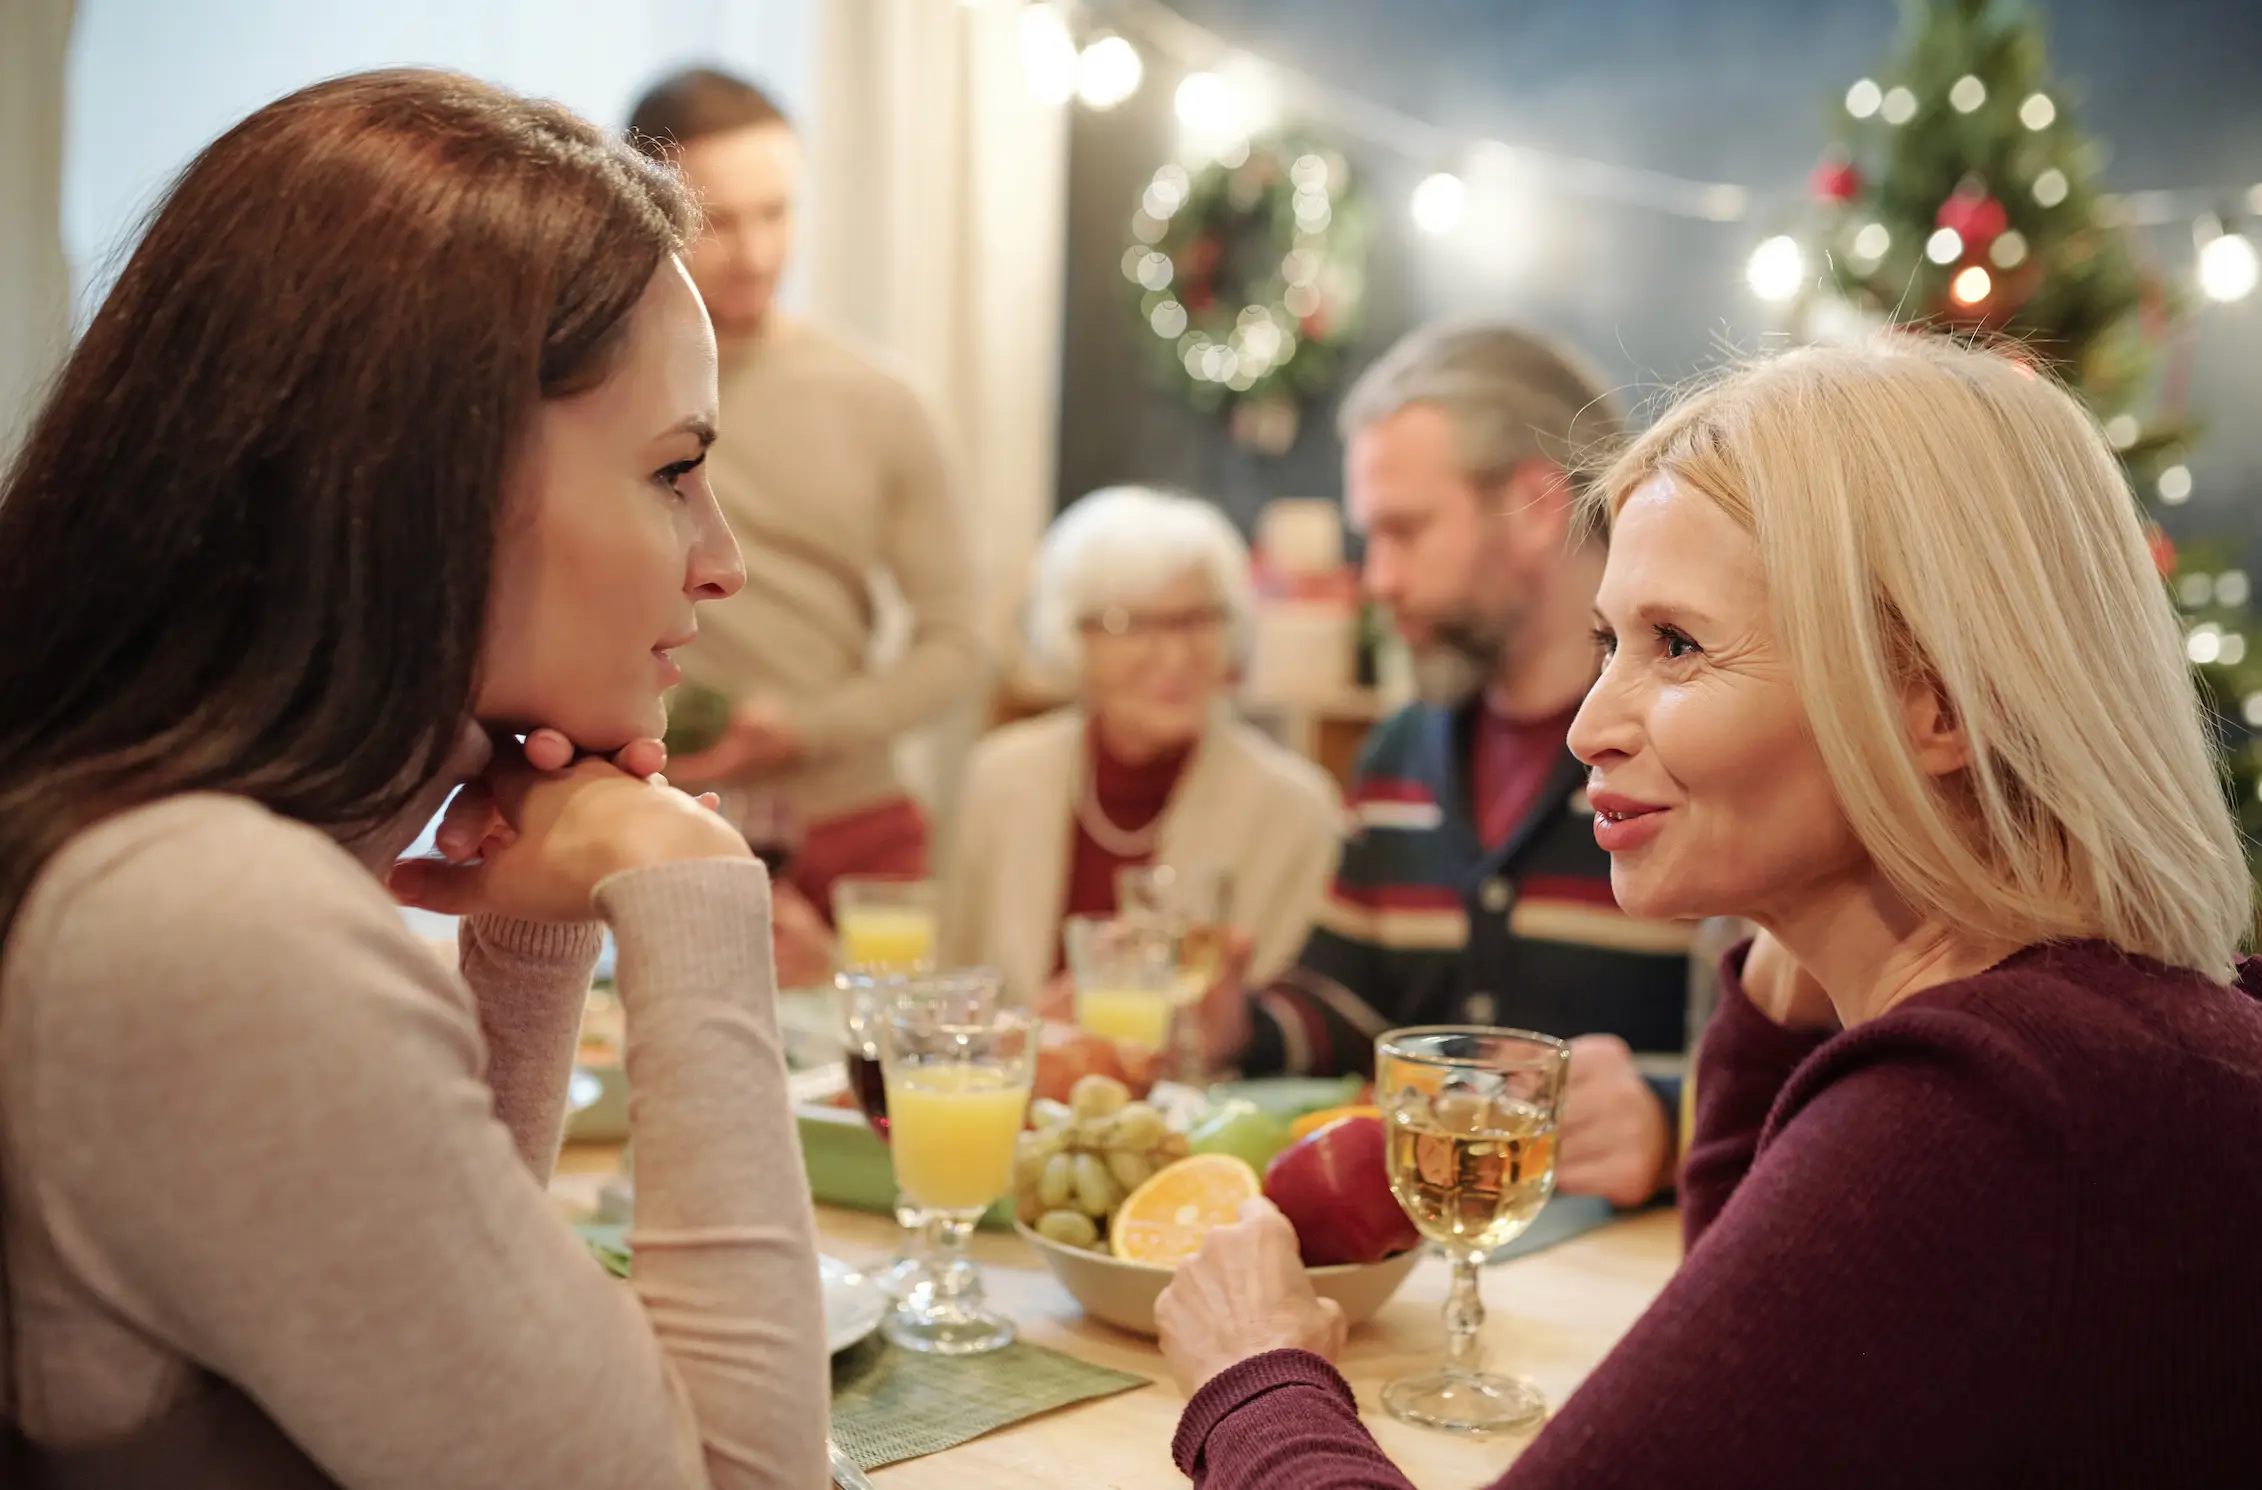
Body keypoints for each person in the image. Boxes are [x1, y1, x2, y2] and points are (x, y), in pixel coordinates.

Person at [1154, 336, 2262, 1488]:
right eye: (1608, 644)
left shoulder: (1985, 1109)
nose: (1589, 726)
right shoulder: (2116, 1036)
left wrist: (1260, 1374)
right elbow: (1755, 1388)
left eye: (1677, 646)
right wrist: (1779, 1003)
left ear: (1938, 702)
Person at [0, 71, 825, 1487]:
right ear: (431, 475)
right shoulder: (207, 919)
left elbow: (461, 1392)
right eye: (674, 469)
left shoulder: (176, 861)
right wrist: (691, 884)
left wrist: (533, 934)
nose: (721, 558)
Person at [1198, 323, 1699, 1207]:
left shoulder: (1693, 745)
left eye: (1404, 531)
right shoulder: (1400, 754)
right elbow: (1351, 1008)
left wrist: (1669, 1121)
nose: (1377, 580)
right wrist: (1236, 1023)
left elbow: (1806, 1043)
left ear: (1537, 506)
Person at [625, 67, 986, 919]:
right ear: (640, 207)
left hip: (855, 829)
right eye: (716, 221)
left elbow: (960, 646)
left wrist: (805, 726)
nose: (755, 254)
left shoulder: (878, 401)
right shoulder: (585, 393)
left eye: (777, 213)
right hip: (657, 814)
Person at [941, 487, 1342, 1006]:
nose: (1174, 656)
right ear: (1075, 637)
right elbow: (950, 984)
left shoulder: (1295, 809)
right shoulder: (997, 778)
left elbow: (1275, 1031)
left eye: (1197, 620)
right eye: (1134, 625)